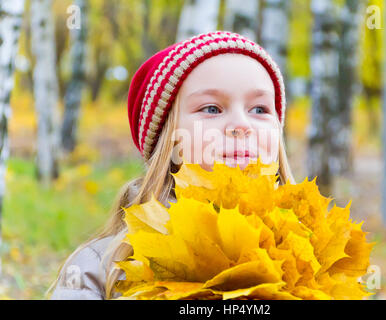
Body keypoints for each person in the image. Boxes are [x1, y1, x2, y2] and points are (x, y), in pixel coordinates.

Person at [47, 30, 295, 300]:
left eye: (259, 109)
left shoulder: (316, 257)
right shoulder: (100, 269)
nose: (241, 126)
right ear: (167, 140)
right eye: (212, 109)